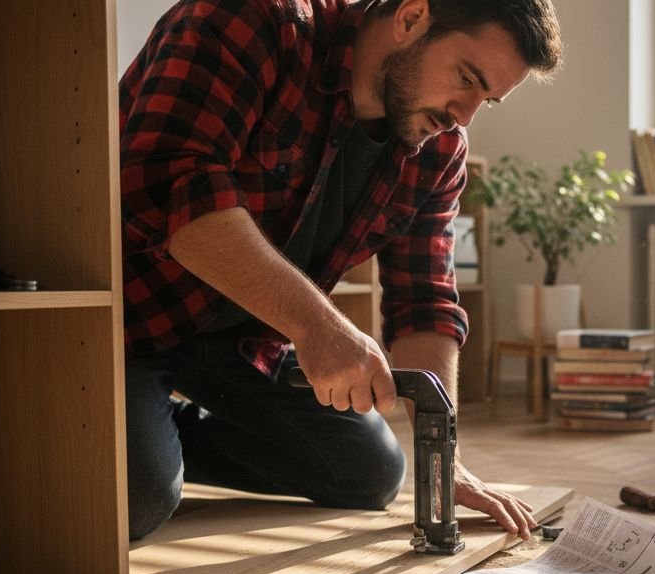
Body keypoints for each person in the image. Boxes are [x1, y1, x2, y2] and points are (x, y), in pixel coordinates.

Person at [119, 0, 561, 540]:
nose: (463, 115)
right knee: (138, 499)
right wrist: (317, 326)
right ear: (411, 17)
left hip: (245, 344)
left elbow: (425, 301)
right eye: (466, 78)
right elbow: (173, 190)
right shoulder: (251, 20)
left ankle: (156, 436)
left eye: (485, 100)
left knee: (370, 473)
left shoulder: (438, 149)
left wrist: (444, 459)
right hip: (132, 325)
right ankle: (132, 443)